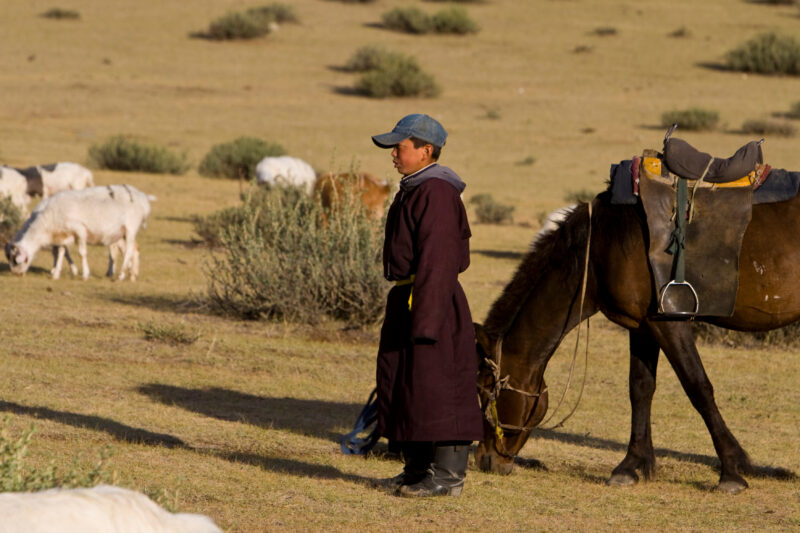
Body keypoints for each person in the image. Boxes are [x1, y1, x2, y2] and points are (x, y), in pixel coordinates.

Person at [371, 113, 483, 497]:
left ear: (425, 150)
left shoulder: (436, 192)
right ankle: (417, 469)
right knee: (409, 382)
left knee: (440, 384)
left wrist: (428, 319)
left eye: (399, 147)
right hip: (411, 296)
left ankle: (447, 477)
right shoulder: (416, 187)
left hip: (431, 299)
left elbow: (439, 258)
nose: (393, 154)